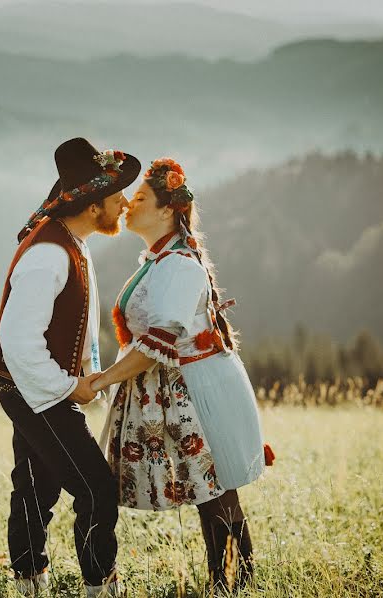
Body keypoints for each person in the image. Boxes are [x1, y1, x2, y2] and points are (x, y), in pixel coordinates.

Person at [90, 157, 274, 593]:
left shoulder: (178, 266)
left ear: (166, 210)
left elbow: (156, 344)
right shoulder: (161, 260)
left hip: (199, 386)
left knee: (216, 490)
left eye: (139, 198)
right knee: (208, 489)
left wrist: (99, 381)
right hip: (184, 385)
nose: (128, 205)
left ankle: (233, 583)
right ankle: (229, 581)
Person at [0, 138, 141, 597]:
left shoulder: (72, 241)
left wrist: (89, 374)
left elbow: (77, 328)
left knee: (36, 486)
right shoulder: (48, 255)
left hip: (38, 385)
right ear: (93, 208)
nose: (125, 204)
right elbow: (17, 342)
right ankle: (99, 585)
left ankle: (30, 578)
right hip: (33, 389)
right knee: (95, 489)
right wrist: (70, 389)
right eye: (116, 198)